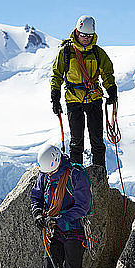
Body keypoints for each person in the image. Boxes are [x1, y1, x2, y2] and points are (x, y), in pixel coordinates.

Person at [31, 143, 91, 268]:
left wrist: (58, 218)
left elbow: (82, 207)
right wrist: (38, 213)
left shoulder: (76, 175)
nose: (50, 175)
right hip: (55, 232)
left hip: (73, 231)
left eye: (53, 170)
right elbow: (36, 196)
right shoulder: (45, 175)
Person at [50, 15, 117, 169]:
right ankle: (76, 177)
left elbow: (107, 73)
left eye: (89, 36)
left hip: (93, 99)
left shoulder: (98, 53)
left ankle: (99, 176)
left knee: (97, 141)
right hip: (73, 100)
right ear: (77, 32)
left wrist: (111, 89)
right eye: (83, 35)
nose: (86, 38)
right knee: (76, 142)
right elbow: (57, 75)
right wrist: (55, 96)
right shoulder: (66, 52)